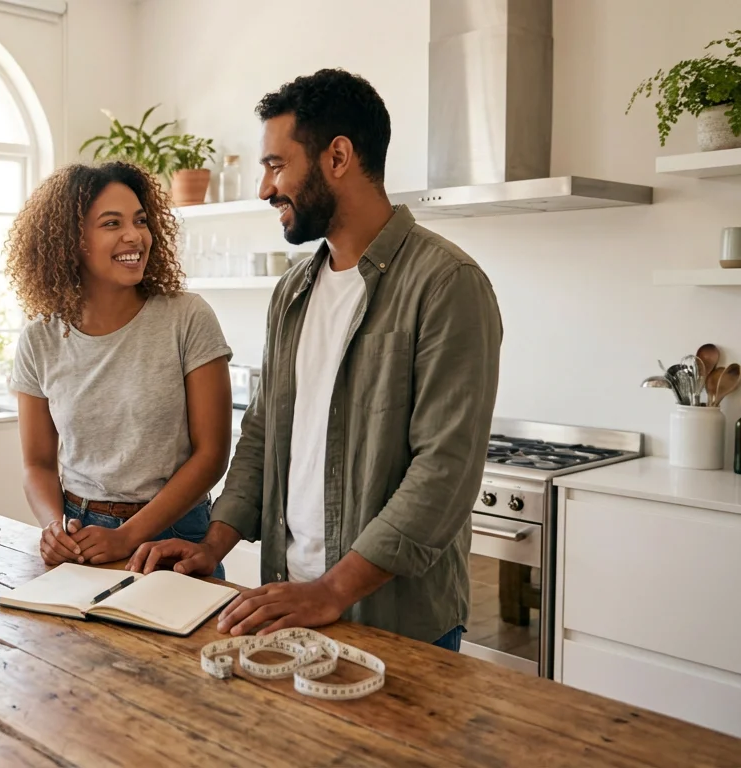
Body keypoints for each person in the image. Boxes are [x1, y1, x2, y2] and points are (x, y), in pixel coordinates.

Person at [129, 69, 503, 652]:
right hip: (290, 601)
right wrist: (213, 544)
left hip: (394, 619)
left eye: (277, 165)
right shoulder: (294, 290)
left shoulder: (446, 283)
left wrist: (332, 590)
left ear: (338, 157)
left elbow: (444, 474)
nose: (264, 188)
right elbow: (262, 434)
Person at [5, 161, 233, 574]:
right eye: (112, 223)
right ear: (71, 242)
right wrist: (53, 527)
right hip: (80, 535)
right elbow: (37, 463)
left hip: (174, 533)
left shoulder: (187, 318)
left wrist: (127, 536)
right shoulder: (39, 338)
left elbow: (212, 454)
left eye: (141, 221)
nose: (135, 236)